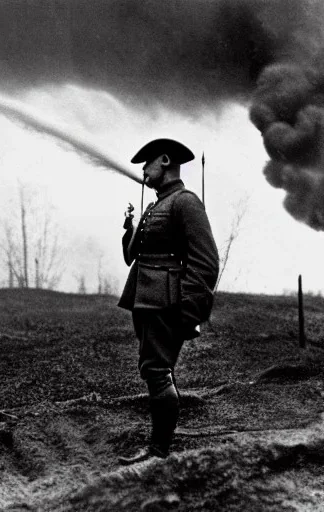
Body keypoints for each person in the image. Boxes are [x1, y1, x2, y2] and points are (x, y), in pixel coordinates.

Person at [117, 138, 219, 465]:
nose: (143, 171)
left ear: (164, 161)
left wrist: (187, 313)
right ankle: (158, 449)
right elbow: (131, 256)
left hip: (165, 304)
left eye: (146, 163)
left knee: (157, 371)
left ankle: (158, 453)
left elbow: (206, 262)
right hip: (145, 300)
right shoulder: (155, 205)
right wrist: (129, 226)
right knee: (154, 370)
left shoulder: (185, 202)